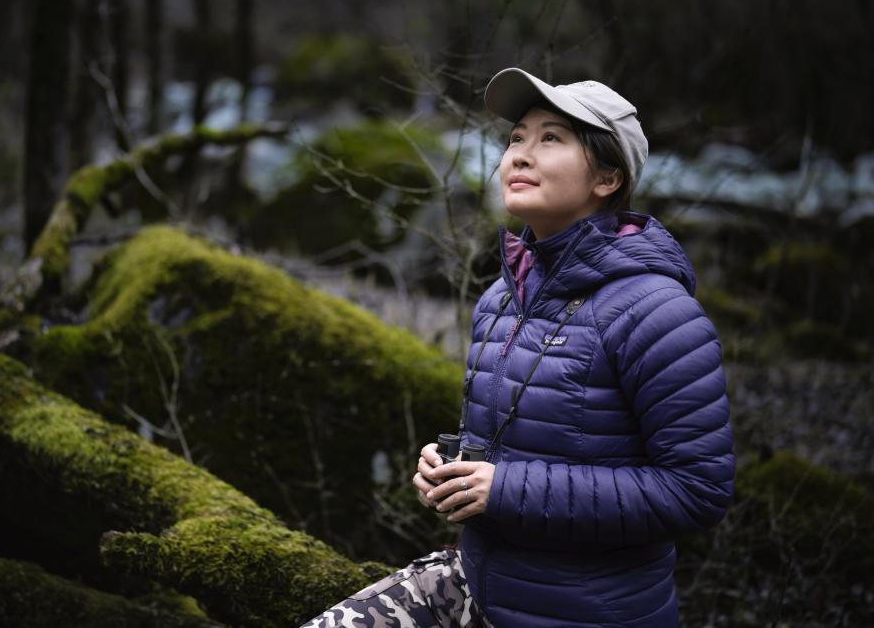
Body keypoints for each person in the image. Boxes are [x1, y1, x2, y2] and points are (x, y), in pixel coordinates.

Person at [301, 67, 735, 628]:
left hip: (581, 616)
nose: (520, 156)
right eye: (516, 139)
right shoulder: (500, 300)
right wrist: (449, 471)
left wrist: (504, 489)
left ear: (607, 178)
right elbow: (515, 446)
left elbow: (697, 491)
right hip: (477, 588)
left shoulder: (657, 313)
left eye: (550, 138)